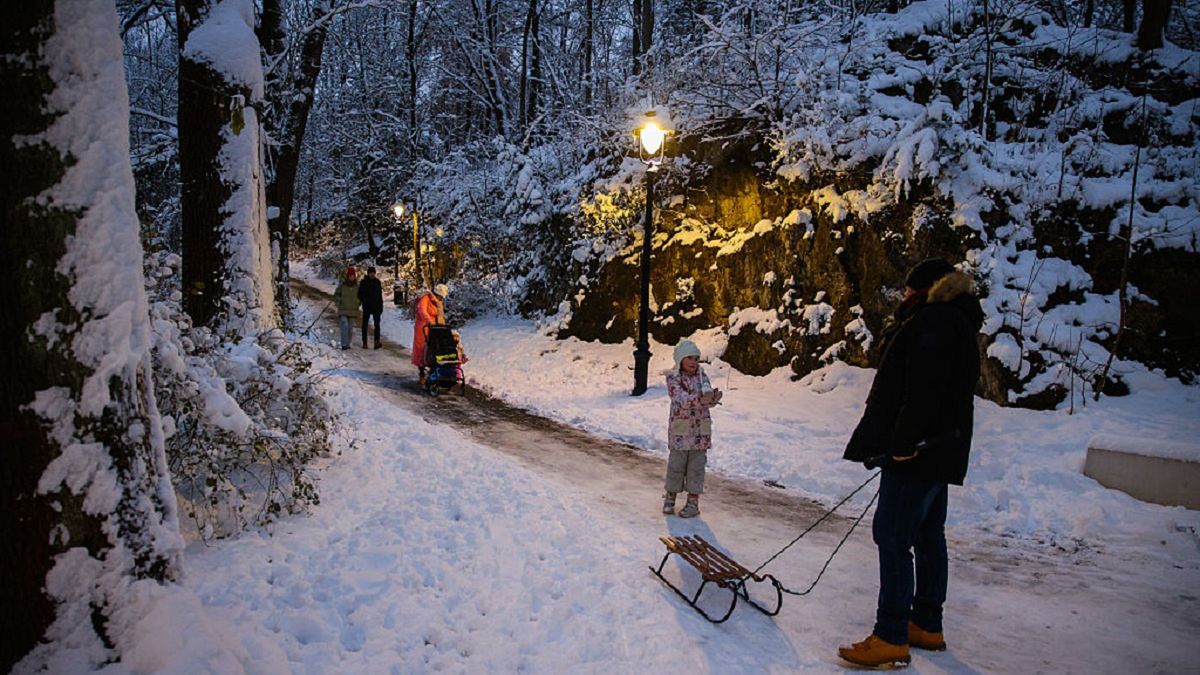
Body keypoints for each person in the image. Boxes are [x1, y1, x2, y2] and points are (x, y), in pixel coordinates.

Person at [838, 257, 984, 668]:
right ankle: (926, 623)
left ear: (924, 289)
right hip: (940, 450)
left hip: (918, 452)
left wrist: (903, 443)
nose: (902, 295)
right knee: (926, 535)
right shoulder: (955, 320)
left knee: (893, 535)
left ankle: (891, 635)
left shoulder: (934, 321)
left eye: (908, 288)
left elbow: (923, 389)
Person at [662, 339, 722, 518]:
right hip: (680, 432)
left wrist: (711, 398)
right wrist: (699, 400)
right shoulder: (673, 377)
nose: (694, 362)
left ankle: (693, 502)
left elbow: (706, 392)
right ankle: (670, 497)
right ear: (680, 359)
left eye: (696, 358)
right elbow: (679, 397)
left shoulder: (702, 376)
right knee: (676, 466)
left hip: (699, 434)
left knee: (696, 468)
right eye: (689, 358)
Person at [411, 283, 448, 384]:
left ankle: (433, 371)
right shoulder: (425, 298)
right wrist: (429, 321)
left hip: (434, 328)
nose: (441, 299)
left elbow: (440, 315)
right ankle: (422, 373)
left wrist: (441, 325)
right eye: (440, 297)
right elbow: (422, 310)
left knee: (433, 349)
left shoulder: (438, 302)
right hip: (423, 327)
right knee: (421, 349)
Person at [358, 266, 384, 349]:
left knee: (377, 325)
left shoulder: (377, 282)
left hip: (376, 306)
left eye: (373, 273)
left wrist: (380, 306)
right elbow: (360, 294)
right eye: (370, 273)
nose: (372, 274)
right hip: (367, 306)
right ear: (368, 273)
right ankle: (364, 342)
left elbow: (380, 296)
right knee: (365, 325)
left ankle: (377, 342)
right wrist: (364, 301)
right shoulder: (363, 282)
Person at [335, 267, 361, 350]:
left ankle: (348, 344)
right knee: (344, 325)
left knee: (350, 329)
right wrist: (339, 302)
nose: (351, 277)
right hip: (343, 309)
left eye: (353, 276)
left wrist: (358, 302)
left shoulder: (357, 286)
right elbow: (336, 295)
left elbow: (361, 296)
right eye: (350, 276)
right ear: (347, 276)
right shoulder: (342, 285)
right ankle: (344, 344)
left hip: (353, 310)